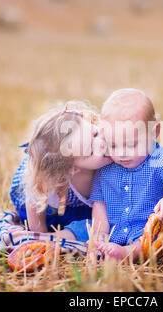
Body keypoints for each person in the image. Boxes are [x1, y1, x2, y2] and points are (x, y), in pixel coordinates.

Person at [66, 88, 163, 260]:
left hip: (148, 227)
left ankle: (128, 253)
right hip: (114, 227)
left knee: (159, 240)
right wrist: (101, 232)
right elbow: (99, 203)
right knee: (79, 228)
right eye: (113, 145)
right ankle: (54, 243)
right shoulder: (106, 167)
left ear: (154, 132)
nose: (121, 153)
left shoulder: (160, 158)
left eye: (131, 145)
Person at [9, 101, 112, 237]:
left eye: (95, 133)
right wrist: (40, 235)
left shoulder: (112, 156)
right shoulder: (52, 181)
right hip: (50, 209)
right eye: (91, 151)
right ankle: (52, 237)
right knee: (84, 227)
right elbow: (33, 201)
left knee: (101, 224)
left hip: (88, 208)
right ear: (73, 169)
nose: (101, 143)